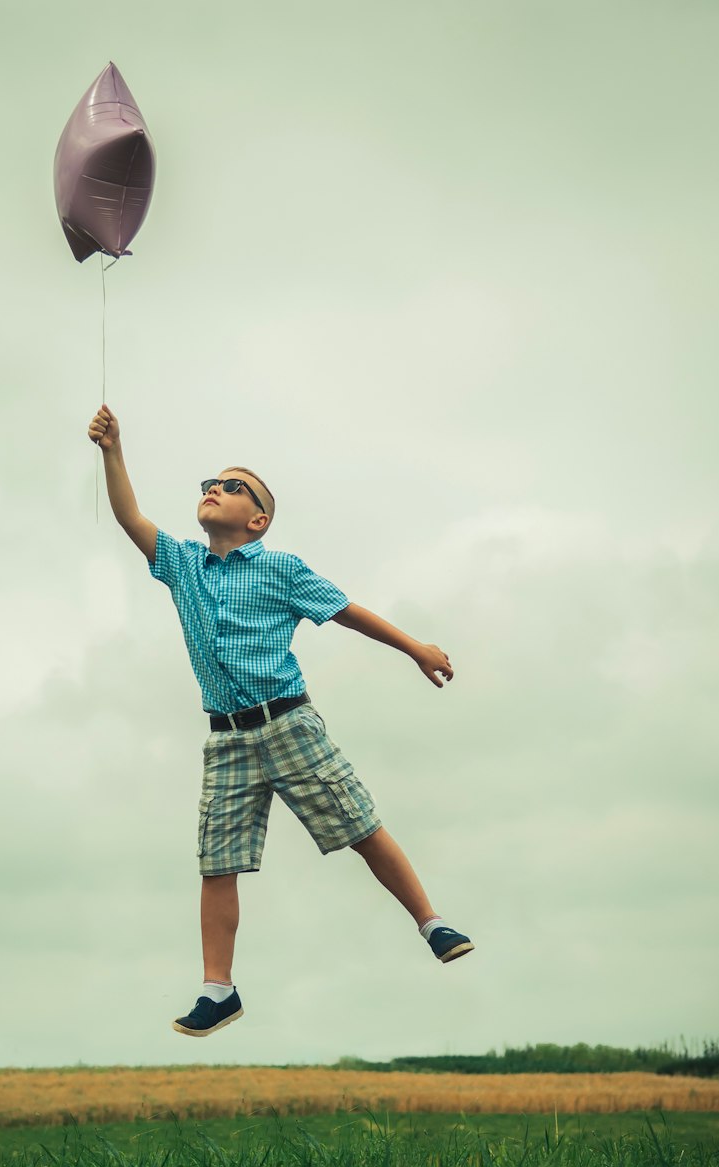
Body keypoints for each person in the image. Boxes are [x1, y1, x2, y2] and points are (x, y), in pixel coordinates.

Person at [87, 403, 474, 1037]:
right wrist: (113, 452)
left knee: (360, 824)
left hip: (289, 723)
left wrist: (416, 649)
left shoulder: (279, 568)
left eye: (232, 486)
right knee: (218, 862)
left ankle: (433, 923)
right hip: (228, 737)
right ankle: (220, 989)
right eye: (209, 483)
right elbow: (130, 515)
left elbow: (347, 611)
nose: (214, 488)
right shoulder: (181, 563)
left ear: (257, 519)